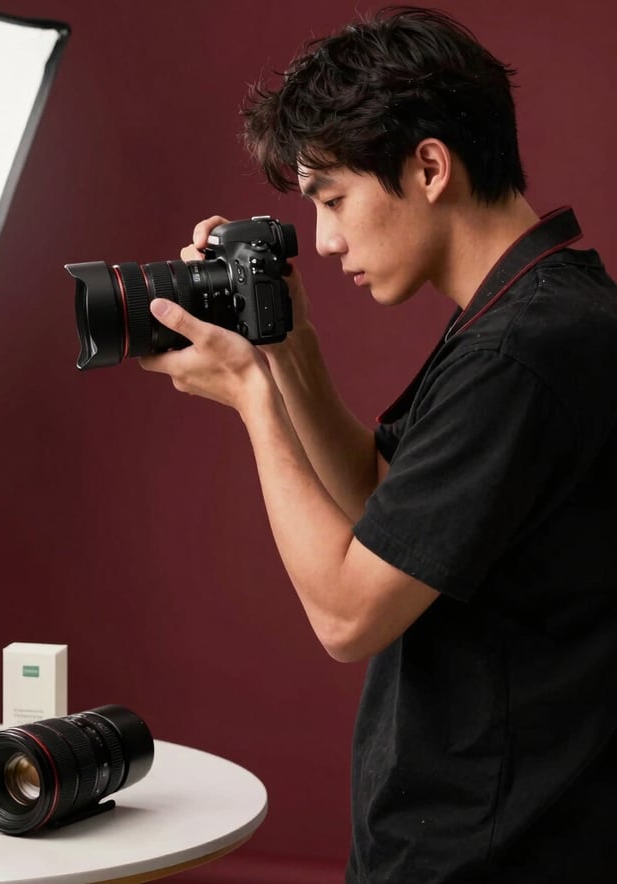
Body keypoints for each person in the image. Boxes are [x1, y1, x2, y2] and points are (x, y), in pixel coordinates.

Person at [140, 7, 617, 883]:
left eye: (333, 199)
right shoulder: (526, 314)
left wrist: (251, 398)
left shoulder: (525, 352)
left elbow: (349, 614)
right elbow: (381, 505)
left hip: (498, 854)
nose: (324, 242)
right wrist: (291, 354)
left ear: (429, 166)